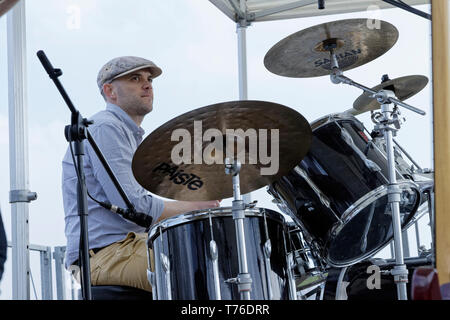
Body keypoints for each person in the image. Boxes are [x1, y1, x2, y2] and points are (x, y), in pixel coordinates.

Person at [62, 56, 219, 293]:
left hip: (126, 247)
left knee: (213, 252)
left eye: (149, 79)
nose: (147, 85)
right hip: (102, 255)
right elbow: (133, 206)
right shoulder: (107, 127)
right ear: (110, 91)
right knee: (195, 265)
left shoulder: (127, 133)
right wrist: (194, 207)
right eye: (135, 79)